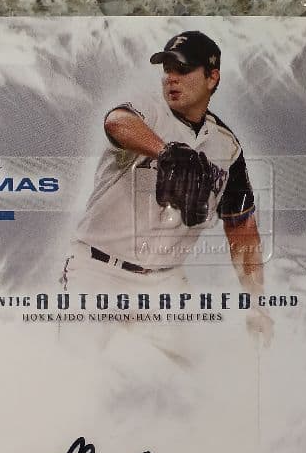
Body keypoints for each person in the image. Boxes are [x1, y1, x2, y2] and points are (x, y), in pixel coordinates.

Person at [63, 30, 272, 344]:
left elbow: (242, 228)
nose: (171, 78)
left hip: (164, 282)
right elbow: (116, 122)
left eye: (183, 69)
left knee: (195, 369)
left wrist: (256, 302)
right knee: (76, 365)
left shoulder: (226, 147)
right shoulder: (149, 110)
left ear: (212, 77)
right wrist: (165, 152)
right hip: (99, 271)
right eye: (167, 69)